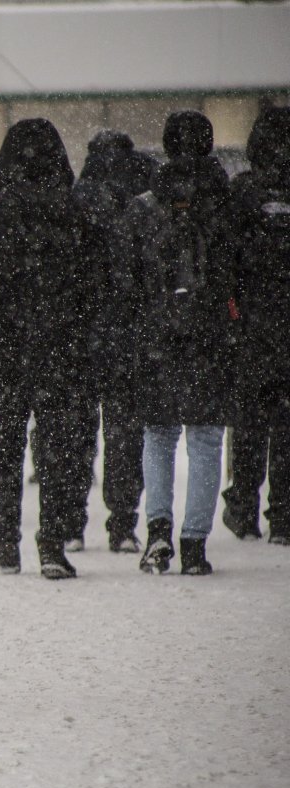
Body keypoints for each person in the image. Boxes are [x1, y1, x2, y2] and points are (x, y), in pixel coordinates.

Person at [0, 118, 100, 580]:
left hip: (7, 348)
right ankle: (53, 542)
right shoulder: (78, 214)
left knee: (9, 444)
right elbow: (99, 283)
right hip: (63, 348)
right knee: (57, 444)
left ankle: (7, 537)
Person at [119, 110, 235, 575]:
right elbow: (238, 274)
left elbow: (126, 278)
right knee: (206, 438)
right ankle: (194, 545)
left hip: (156, 335)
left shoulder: (145, 205)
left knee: (159, 434)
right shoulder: (225, 202)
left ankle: (158, 532)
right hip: (211, 334)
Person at [71, 129, 158, 553]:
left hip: (84, 333)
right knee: (126, 432)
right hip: (131, 333)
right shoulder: (144, 195)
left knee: (77, 428)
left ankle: (70, 519)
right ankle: (123, 523)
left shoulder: (77, 196)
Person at [222, 106, 290, 546]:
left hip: (250, 323)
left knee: (248, 420)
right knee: (286, 423)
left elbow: (225, 259)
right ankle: (284, 515)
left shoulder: (242, 192)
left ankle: (243, 507)